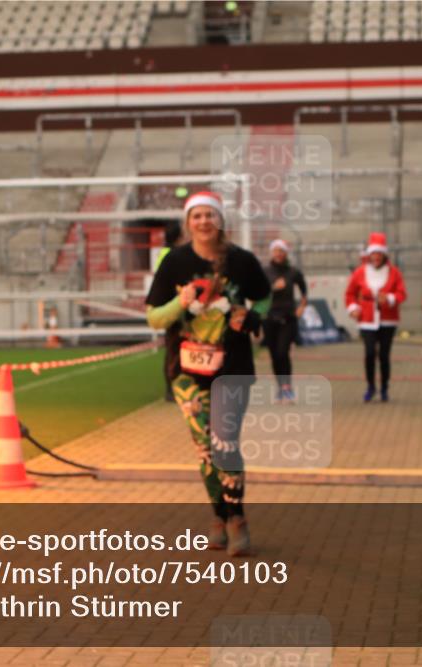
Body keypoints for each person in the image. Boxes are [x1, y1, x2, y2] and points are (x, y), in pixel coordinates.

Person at [145, 191, 271, 557]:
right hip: (186, 371)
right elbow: (154, 317)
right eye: (196, 216)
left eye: (209, 215)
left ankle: (238, 520)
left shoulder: (243, 262)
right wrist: (180, 302)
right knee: (205, 449)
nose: (203, 221)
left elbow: (263, 298)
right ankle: (219, 516)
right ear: (188, 223)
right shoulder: (174, 262)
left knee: (225, 443)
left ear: (220, 221)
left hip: (233, 368)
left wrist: (251, 316)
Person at [344, 232, 407, 403]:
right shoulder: (359, 272)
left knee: (384, 355)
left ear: (384, 254)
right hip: (366, 319)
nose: (376, 257)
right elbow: (350, 294)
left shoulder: (394, 273)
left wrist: (390, 298)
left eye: (379, 254)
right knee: (370, 353)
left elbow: (402, 293)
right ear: (369, 255)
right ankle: (371, 386)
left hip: (388, 319)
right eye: (374, 253)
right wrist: (353, 308)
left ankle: (385, 386)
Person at [261, 238, 307, 403]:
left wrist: (302, 306)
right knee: (274, 355)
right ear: (272, 253)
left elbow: (304, 291)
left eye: (282, 251)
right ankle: (280, 387)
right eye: (276, 251)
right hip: (270, 317)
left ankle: (287, 387)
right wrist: (273, 288)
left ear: (286, 253)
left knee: (283, 352)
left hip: (288, 317)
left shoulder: (293, 272)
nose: (279, 254)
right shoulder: (265, 271)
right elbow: (259, 293)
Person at [156, 220, 185, 401]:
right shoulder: (173, 255)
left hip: (170, 306)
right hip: (174, 307)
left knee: (173, 348)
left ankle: (172, 387)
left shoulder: (163, 253)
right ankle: (171, 389)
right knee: (174, 349)